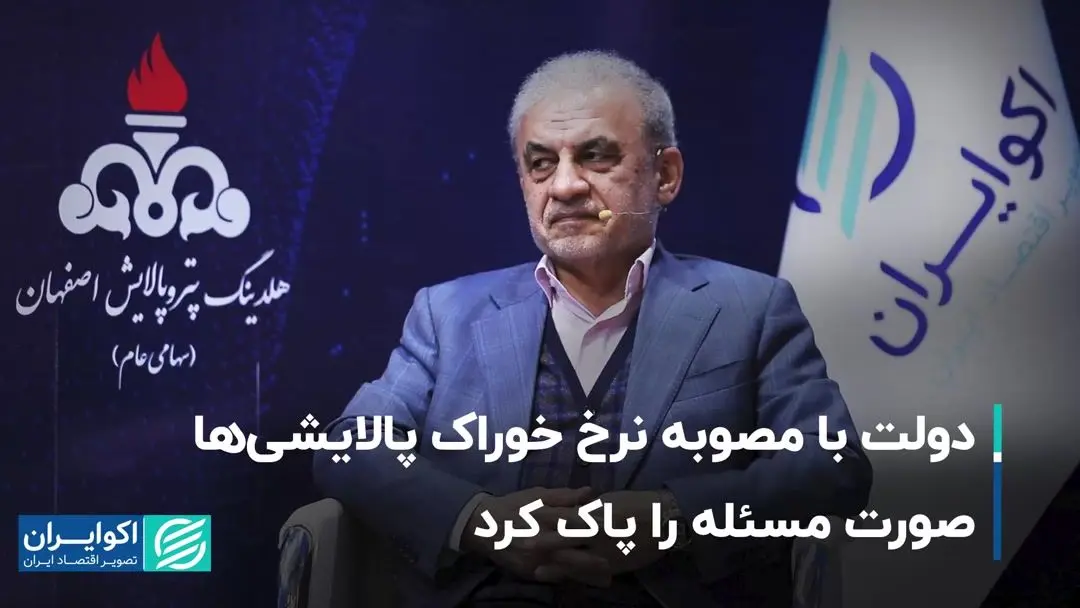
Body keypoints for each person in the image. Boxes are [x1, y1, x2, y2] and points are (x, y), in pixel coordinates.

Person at [314, 50, 872, 607]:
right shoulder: (448, 313)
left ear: (665, 176)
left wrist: (675, 515)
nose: (564, 186)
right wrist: (480, 520)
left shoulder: (751, 308)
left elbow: (832, 466)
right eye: (540, 164)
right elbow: (350, 448)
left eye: (596, 157)